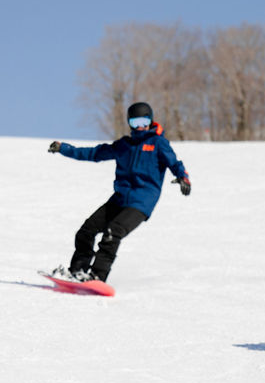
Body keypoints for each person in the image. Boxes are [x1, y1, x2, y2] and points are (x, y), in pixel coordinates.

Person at [48, 102, 191, 283]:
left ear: (151, 121)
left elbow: (175, 163)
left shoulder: (158, 143)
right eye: (136, 122)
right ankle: (77, 270)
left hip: (141, 202)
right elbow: (93, 153)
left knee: (112, 232)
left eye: (144, 121)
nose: (141, 126)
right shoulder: (124, 145)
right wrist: (63, 148)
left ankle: (97, 276)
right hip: (119, 199)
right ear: (129, 123)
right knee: (86, 231)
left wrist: (183, 178)